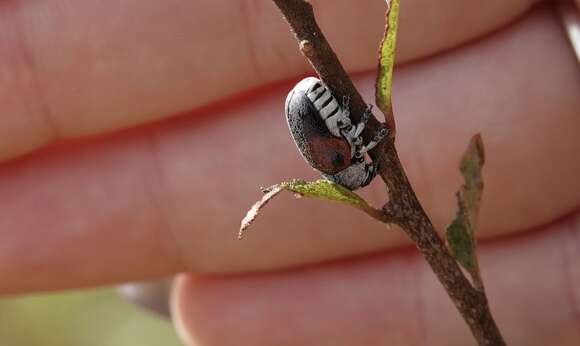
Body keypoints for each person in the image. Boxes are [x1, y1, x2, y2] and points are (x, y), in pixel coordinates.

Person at [1, 1, 579, 345]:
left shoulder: (350, 162)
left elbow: (350, 138)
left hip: (311, 108)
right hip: (312, 109)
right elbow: (352, 140)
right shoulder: (352, 164)